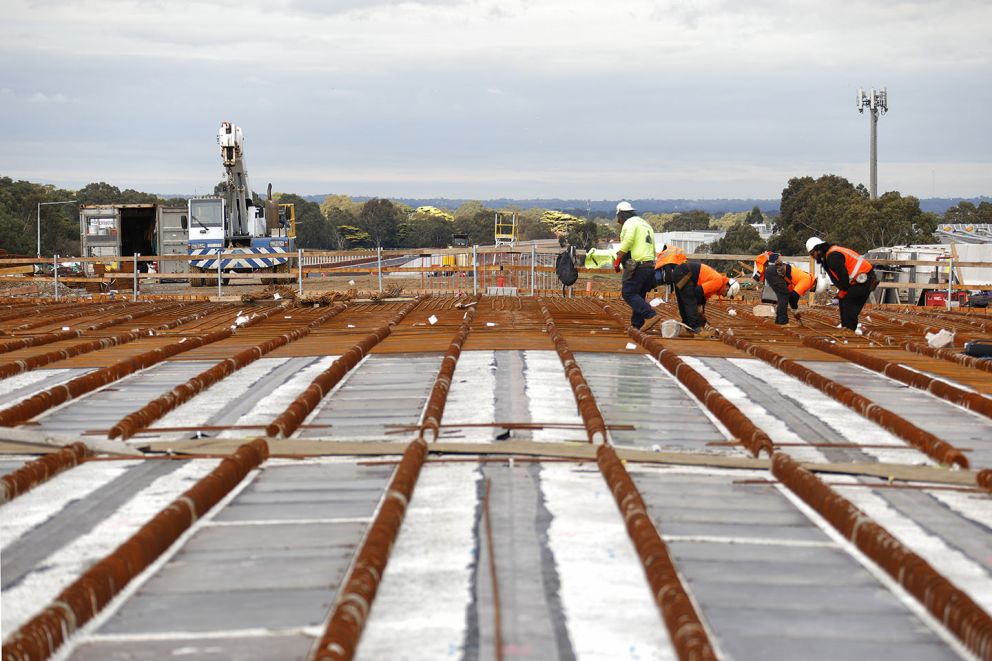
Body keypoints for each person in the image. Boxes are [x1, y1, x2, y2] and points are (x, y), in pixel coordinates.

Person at [806, 237, 877, 331]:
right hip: (861, 279)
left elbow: (843, 274)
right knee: (844, 302)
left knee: (848, 303)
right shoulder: (829, 255)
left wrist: (843, 290)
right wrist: (842, 291)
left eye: (812, 254)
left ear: (818, 249)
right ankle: (846, 328)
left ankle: (850, 330)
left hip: (865, 279)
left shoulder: (832, 256)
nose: (813, 257)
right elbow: (838, 277)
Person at [612, 201, 661, 330]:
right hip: (649, 266)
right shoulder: (644, 223)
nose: (619, 222)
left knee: (628, 292)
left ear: (621, 215)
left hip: (639, 266)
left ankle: (650, 315)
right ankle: (637, 325)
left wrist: (618, 258)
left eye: (619, 219)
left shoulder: (630, 223)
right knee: (638, 295)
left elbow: (628, 240)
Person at [670, 260, 740, 336]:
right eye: (726, 293)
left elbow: (703, 297)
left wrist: (702, 314)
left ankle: (688, 327)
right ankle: (696, 329)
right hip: (684, 273)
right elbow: (697, 292)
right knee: (690, 299)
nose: (724, 296)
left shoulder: (718, 283)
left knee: (684, 301)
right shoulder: (718, 282)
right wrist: (699, 307)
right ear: (727, 287)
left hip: (680, 272)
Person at [753, 251, 814, 325]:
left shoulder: (799, 279)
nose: (811, 290)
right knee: (784, 295)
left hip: (771, 271)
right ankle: (782, 321)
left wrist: (794, 308)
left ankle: (779, 320)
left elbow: (791, 296)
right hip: (773, 271)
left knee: (783, 295)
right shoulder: (807, 279)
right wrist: (795, 310)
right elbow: (793, 296)